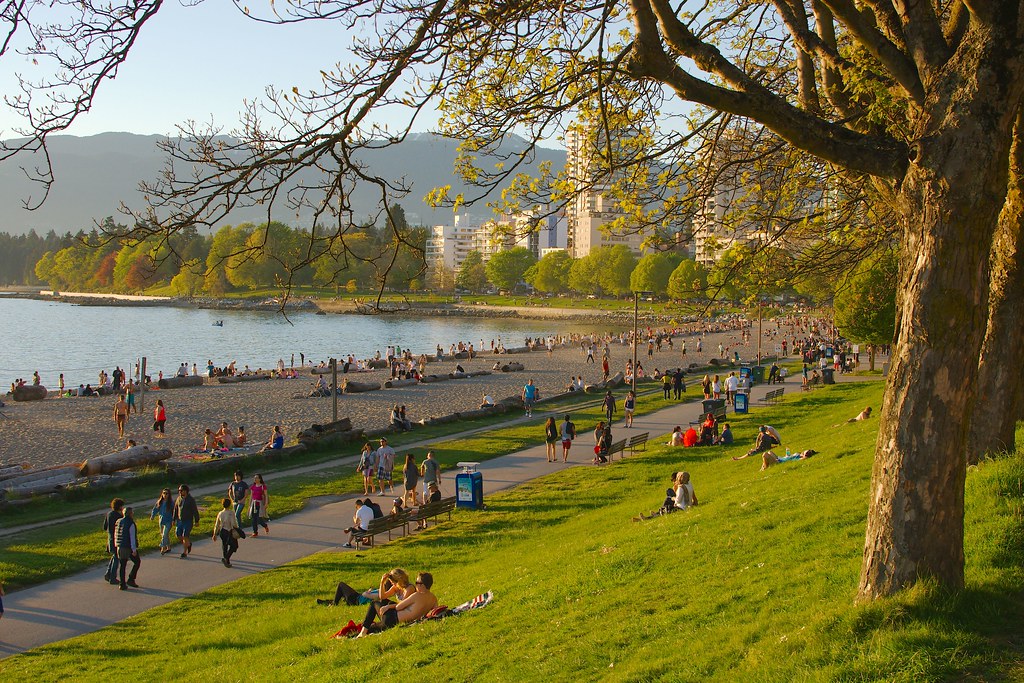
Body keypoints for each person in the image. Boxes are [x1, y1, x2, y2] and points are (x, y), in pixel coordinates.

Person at [356, 572, 438, 637]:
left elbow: (399, 607)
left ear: (422, 585)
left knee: (374, 603)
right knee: (373, 628)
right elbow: (434, 612)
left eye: (417, 582)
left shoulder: (416, 595)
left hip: (392, 618)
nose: (415, 584)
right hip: (396, 623)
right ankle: (362, 632)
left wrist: (388, 607)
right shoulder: (433, 598)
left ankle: (363, 632)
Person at [319, 568, 414, 607]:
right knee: (341, 593)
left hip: (358, 599)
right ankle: (331, 602)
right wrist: (382, 582)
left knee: (341, 585)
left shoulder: (409, 588)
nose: (393, 585)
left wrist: (368, 592)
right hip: (359, 597)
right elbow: (382, 596)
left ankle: (333, 603)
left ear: (398, 581)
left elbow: (402, 604)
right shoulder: (395, 588)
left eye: (392, 582)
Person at [114, 506, 140, 589]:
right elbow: (132, 537)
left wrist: (116, 544)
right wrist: (134, 549)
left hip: (119, 546)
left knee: (123, 565)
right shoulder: (130, 523)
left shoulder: (118, 521)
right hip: (127, 547)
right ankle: (131, 579)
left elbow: (116, 534)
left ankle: (122, 584)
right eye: (132, 513)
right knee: (137, 562)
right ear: (130, 514)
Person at [212, 498, 242, 567]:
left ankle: (227, 561)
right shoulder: (231, 513)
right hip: (229, 531)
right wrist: (237, 529)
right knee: (234, 546)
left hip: (222, 531)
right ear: (229, 504)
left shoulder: (220, 513)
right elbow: (233, 523)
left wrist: (214, 534)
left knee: (224, 545)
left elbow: (217, 525)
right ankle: (226, 558)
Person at [173, 484, 200, 558]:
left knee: (185, 536)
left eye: (181, 490)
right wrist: (173, 519)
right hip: (179, 521)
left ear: (185, 491)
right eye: (179, 490)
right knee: (178, 535)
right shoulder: (178, 499)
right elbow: (175, 509)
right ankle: (188, 544)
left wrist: (196, 520)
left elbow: (195, 510)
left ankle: (184, 552)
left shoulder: (191, 500)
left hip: (188, 521)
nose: (179, 492)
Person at [102, 498, 125, 584]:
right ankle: (112, 577)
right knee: (116, 558)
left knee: (114, 556)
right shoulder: (119, 517)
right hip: (116, 539)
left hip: (110, 538)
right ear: (119, 507)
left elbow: (105, 527)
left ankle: (108, 574)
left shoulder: (109, 514)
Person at [151, 488, 175, 555]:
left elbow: (175, 511)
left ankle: (162, 547)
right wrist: (152, 516)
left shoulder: (171, 503)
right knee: (164, 534)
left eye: (166, 493)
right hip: (161, 520)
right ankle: (168, 547)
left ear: (169, 495)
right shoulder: (160, 501)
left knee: (165, 534)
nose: (165, 495)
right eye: (164, 493)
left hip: (169, 520)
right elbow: (155, 509)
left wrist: (174, 519)